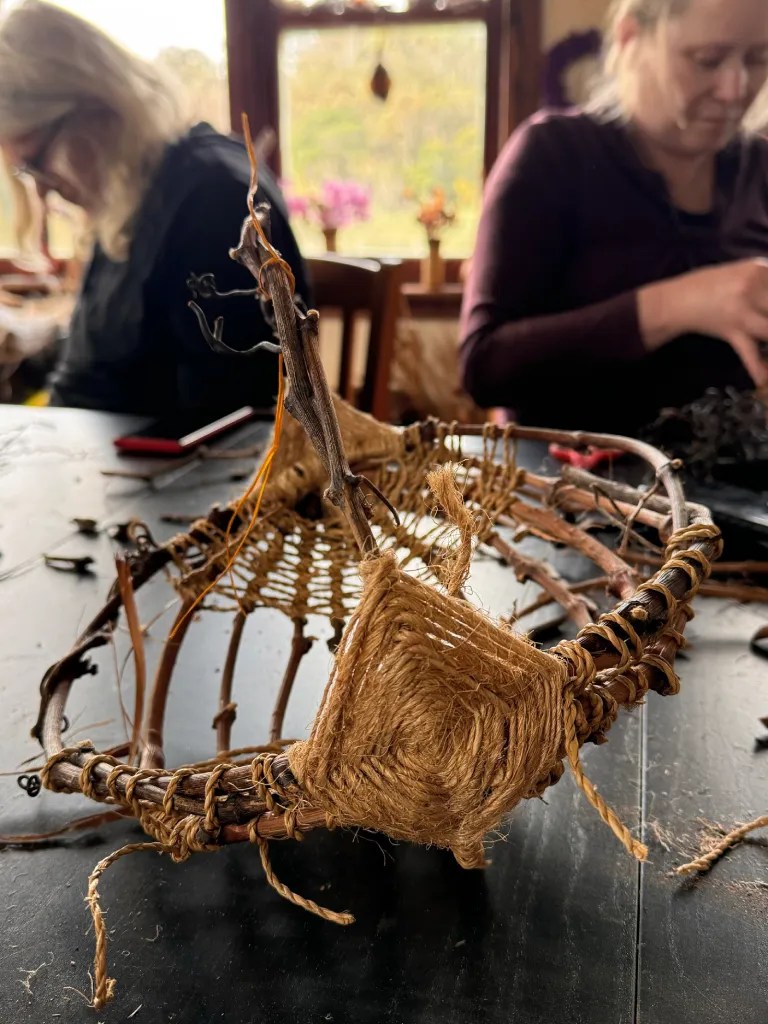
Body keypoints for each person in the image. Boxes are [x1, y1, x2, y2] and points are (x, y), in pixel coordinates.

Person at [460, 0, 768, 433]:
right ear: (630, 37)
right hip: (570, 485)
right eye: (707, 60)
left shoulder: (760, 169)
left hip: (731, 486)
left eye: (758, 59)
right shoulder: (553, 155)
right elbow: (484, 368)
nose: (736, 89)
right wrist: (681, 303)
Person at [0, 1, 310, 416]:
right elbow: (117, 349)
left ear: (91, 111)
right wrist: (26, 343)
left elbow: (232, 423)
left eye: (36, 163)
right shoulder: (138, 191)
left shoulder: (211, 203)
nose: (42, 191)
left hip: (152, 473)